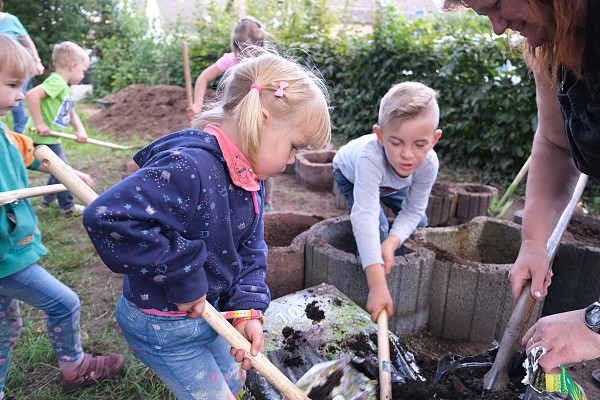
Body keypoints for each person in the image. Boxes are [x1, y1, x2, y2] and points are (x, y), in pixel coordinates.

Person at [82, 51, 331, 399]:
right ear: (262, 119)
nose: (290, 162)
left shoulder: (249, 178)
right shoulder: (188, 167)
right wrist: (185, 276)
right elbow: (110, 217)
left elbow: (251, 248)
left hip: (210, 316)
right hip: (163, 325)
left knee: (234, 383)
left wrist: (247, 310)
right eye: (293, 147)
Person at [438, 0, 600, 374]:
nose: (497, 27)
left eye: (495, 4)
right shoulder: (554, 42)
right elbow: (556, 145)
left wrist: (592, 326)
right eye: (485, 15)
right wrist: (533, 241)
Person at [0, 33, 124, 397]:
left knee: (5, 330)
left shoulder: (6, 135)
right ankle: (74, 366)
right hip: (6, 258)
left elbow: (29, 152)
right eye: (11, 85)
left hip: (13, 249)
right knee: (64, 303)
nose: (21, 95)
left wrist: (65, 173)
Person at [332, 81, 442, 322]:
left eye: (420, 144)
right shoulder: (369, 157)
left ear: (434, 140)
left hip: (391, 185)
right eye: (397, 142)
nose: (407, 154)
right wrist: (377, 284)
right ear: (380, 136)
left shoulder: (429, 163)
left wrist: (392, 243)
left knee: (420, 221)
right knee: (377, 227)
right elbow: (365, 217)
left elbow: (414, 210)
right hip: (350, 174)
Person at [187, 16, 276, 211]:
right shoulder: (230, 60)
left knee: (261, 156)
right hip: (233, 118)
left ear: (261, 46)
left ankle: (265, 200)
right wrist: (197, 104)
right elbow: (203, 78)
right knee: (231, 154)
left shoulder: (266, 63)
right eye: (242, 51)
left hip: (257, 117)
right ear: (235, 47)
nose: (246, 57)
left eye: (251, 51)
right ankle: (232, 195)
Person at [24, 41, 90, 216]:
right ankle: (67, 207)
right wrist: (39, 123)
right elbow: (31, 95)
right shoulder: (57, 82)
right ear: (73, 65)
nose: (83, 75)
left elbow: (72, 113)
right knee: (63, 171)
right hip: (42, 138)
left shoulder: (64, 88)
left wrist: (80, 131)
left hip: (51, 139)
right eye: (83, 70)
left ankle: (47, 199)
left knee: (56, 168)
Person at [0, 0, 45, 133]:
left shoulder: (11, 20)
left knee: (16, 101)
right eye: (13, 85)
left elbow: (27, 41)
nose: (21, 96)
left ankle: (19, 133)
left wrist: (37, 61)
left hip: (16, 68)